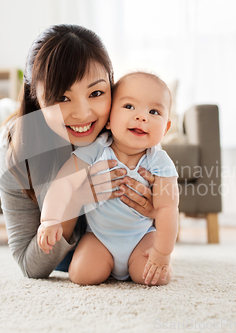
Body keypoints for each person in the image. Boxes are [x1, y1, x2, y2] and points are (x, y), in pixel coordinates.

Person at [0, 24, 157, 279]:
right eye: (62, 97)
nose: (82, 113)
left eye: (96, 93)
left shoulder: (130, 127)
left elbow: (163, 220)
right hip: (68, 261)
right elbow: (30, 266)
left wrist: (155, 209)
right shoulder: (14, 147)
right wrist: (75, 200)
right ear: (35, 97)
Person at [38, 72, 179, 286]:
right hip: (99, 237)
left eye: (154, 111)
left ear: (166, 128)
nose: (142, 117)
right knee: (82, 275)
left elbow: (168, 208)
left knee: (154, 277)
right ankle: (107, 264)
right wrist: (50, 219)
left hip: (141, 236)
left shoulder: (159, 161)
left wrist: (162, 252)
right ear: (109, 119)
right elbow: (64, 182)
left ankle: (145, 262)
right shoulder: (96, 150)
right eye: (129, 107)